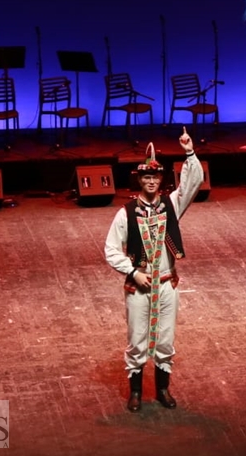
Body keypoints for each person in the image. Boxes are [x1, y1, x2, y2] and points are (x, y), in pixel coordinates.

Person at [104, 128, 204, 413]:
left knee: (165, 339)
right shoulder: (125, 213)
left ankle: (162, 389)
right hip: (139, 286)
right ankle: (136, 391)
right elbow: (111, 249)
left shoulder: (171, 205)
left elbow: (192, 183)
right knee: (137, 340)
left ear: (161, 179)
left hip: (166, 284)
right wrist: (133, 271)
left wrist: (189, 151)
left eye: (155, 176)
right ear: (139, 180)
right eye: (146, 177)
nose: (150, 181)